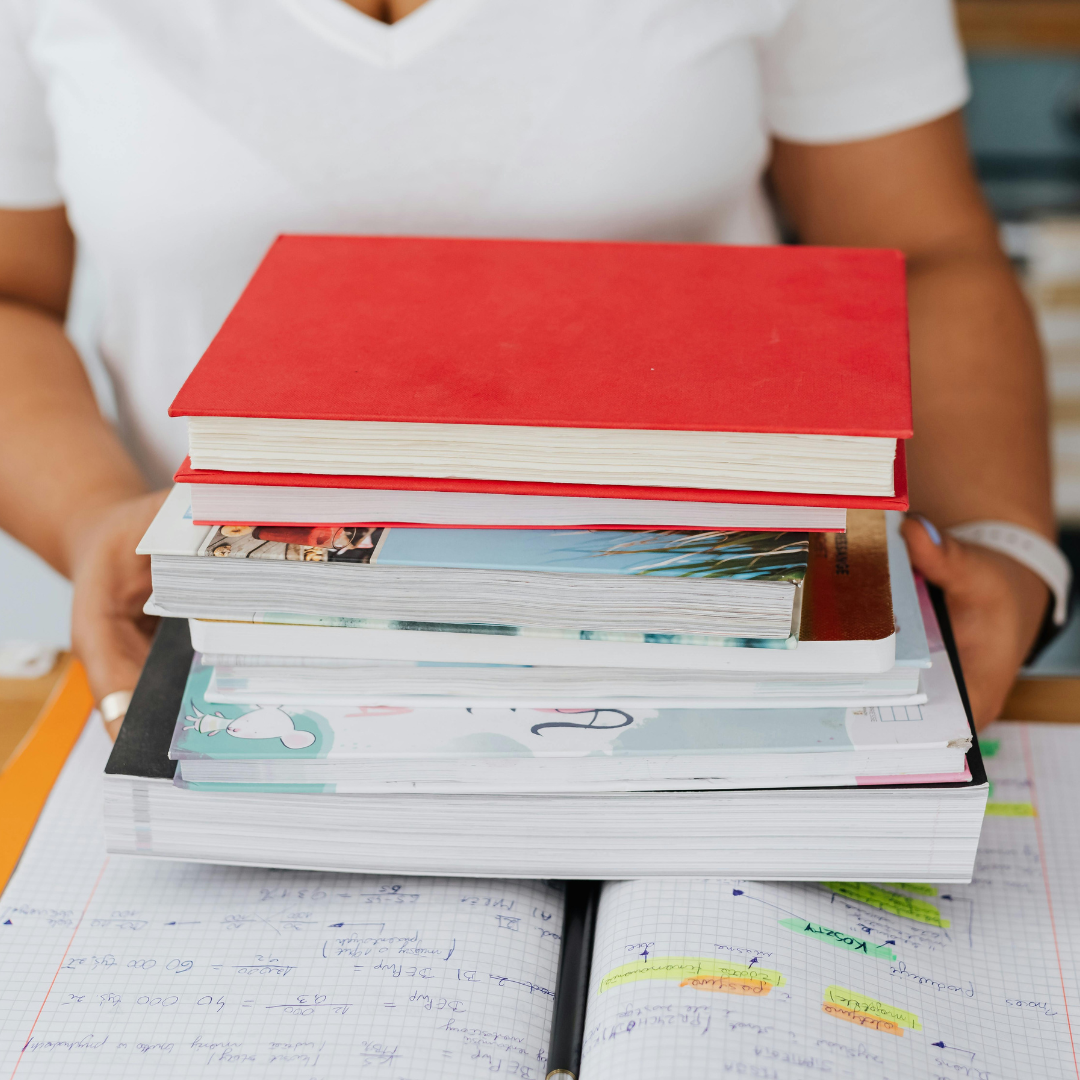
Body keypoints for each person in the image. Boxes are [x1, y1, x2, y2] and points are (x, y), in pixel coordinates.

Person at [0, 0, 1062, 736]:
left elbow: (923, 253)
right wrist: (94, 513)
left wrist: (1008, 544)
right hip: (236, 649)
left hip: (726, 644)